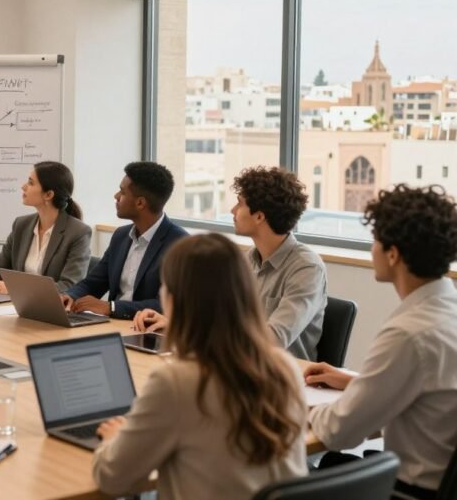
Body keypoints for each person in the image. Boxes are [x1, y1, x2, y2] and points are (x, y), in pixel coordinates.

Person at [92, 234, 308, 499]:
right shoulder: (285, 367)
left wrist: (115, 437)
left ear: (174, 298)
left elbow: (112, 478)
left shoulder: (177, 381)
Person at [306, 184, 457, 499]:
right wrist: (355, 381)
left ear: (393, 253)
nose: (371, 248)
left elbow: (339, 432)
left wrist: (301, 409)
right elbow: (431, 387)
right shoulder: (446, 313)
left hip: (406, 491)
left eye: (375, 240)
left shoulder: (409, 333)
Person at [133, 166, 328, 360]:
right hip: (237, 367)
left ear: (259, 216)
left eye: (239, 203)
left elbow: (273, 340)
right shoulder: (246, 259)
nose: (233, 210)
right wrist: (175, 323)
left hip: (282, 379)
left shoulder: (307, 268)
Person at [62, 161, 188, 319]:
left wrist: (112, 307)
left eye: (122, 192)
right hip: (112, 325)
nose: (116, 196)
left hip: (145, 331)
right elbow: (94, 282)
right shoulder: (120, 235)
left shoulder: (180, 244)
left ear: (140, 203)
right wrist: (69, 296)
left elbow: (165, 305)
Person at [0, 161, 91, 293]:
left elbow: (69, 285)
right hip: (13, 306)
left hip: (50, 310)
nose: (23, 187)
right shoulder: (21, 225)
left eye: (31, 183)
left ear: (48, 195)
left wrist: (14, 289)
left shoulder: (79, 232)